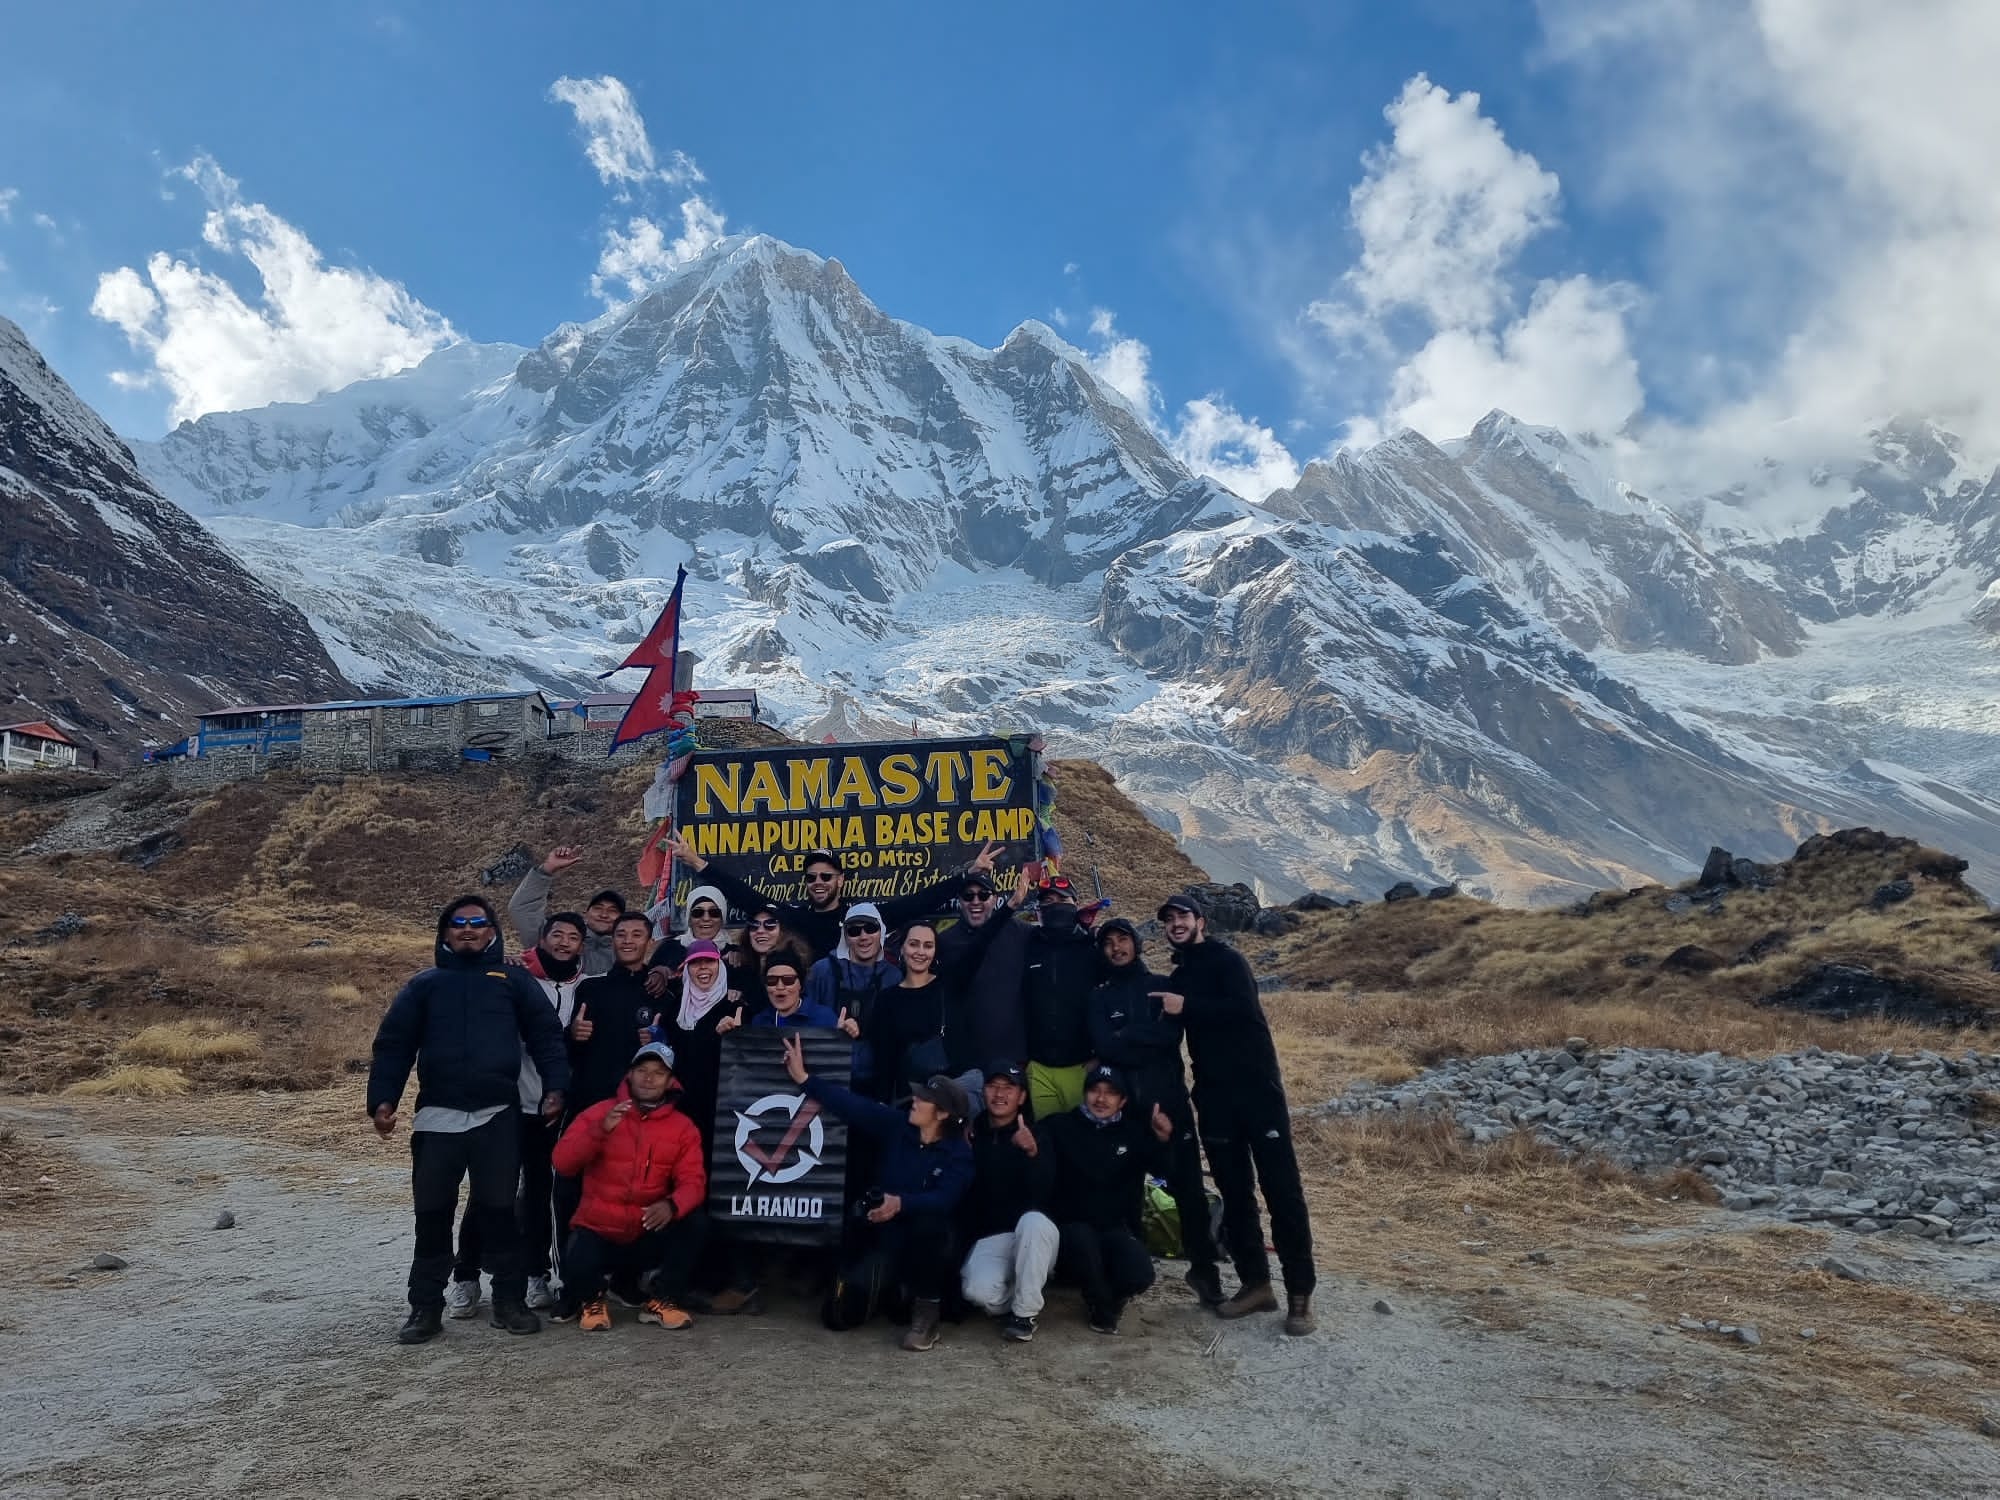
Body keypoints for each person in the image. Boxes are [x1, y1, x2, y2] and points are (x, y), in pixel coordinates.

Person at [366, 896, 570, 1345]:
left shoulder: (514, 981)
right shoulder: (424, 985)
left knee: (500, 1213)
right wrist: (383, 1099)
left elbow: (546, 1036)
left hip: (498, 1115)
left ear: (492, 933)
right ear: (445, 934)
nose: (468, 929)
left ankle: (509, 1302)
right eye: (458, 924)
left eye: (478, 923)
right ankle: (424, 1307)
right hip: (437, 1117)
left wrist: (556, 1087)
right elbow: (394, 1044)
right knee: (432, 1216)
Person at [1154, 892, 1317, 1336]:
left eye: (1182, 916)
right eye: (1168, 919)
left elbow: (1244, 1010)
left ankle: (1300, 1295)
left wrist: (1187, 1007)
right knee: (1236, 1192)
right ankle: (1256, 1284)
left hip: (1257, 1092)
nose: (1175, 923)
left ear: (1201, 921)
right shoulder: (1181, 973)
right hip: (1214, 1096)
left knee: (1282, 1190)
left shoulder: (1227, 961)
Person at [781, 1033, 973, 1351]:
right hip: (888, 1235)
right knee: (840, 1315)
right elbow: (853, 1106)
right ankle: (882, 1289)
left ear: (942, 1114)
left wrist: (901, 1203)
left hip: (929, 1246)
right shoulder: (899, 1126)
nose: (915, 1100)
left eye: (924, 1099)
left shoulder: (960, 1153)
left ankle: (927, 1313)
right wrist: (805, 1079)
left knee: (931, 1225)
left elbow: (945, 1199)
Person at [447, 911, 586, 1317]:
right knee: (490, 1194)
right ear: (540, 939)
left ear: (582, 945)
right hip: (509, 1104)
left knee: (541, 1194)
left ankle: (534, 1273)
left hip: (555, 1109)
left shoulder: (587, 986)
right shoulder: (512, 978)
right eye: (556, 935)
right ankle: (466, 1276)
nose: (563, 943)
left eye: (573, 937)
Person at [1088, 915, 1225, 1308]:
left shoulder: (1161, 986)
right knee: (1126, 1192)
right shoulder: (1099, 997)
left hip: (1169, 1102)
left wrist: (1126, 1034)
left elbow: (1169, 1036)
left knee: (1189, 1192)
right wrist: (1134, 1038)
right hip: (1124, 1109)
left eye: (1123, 940)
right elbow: (1104, 1046)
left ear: (1136, 943)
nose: (1117, 947)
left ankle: (1204, 1270)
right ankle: (1128, 1273)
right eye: (1109, 942)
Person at [550, 1042, 708, 1332]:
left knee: (694, 1222)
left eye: (658, 1073)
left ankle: (662, 1300)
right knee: (579, 1258)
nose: (649, 1078)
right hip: (599, 1228)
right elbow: (562, 1162)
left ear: (670, 1081)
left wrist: (672, 1205)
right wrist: (599, 1131)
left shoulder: (684, 1127)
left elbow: (694, 1182)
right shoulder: (600, 1111)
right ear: (629, 1075)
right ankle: (590, 1298)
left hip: (644, 1229)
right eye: (642, 1070)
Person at [668, 831, 1004, 962]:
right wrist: (698, 863)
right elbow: (749, 899)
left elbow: (918, 903)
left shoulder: (863, 918)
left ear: (840, 880)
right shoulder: (794, 917)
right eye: (812, 877)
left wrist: (968, 875)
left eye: (826, 876)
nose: (818, 882)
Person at [1042, 1063, 1175, 1334]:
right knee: (1082, 1241)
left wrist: (1163, 1140)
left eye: (1110, 1093)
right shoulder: (1059, 1126)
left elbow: (1163, 1174)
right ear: (1085, 1094)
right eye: (1094, 1090)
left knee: (1140, 1274)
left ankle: (1104, 1295)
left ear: (1123, 1100)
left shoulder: (1135, 1133)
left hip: (1114, 1228)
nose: (1101, 1099)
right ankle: (1101, 1307)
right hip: (1071, 1229)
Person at [959, 1063, 1058, 1342]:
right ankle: (1027, 1289)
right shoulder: (972, 1133)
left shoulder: (1038, 1134)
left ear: (1022, 1097)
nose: (999, 1094)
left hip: (1034, 1235)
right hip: (994, 1237)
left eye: (1009, 1087)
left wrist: (1032, 1154)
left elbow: (1044, 1193)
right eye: (993, 1086)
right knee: (976, 1292)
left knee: (1033, 1221)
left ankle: (1024, 1316)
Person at [935, 869, 1033, 1092]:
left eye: (983, 895)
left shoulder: (1022, 933)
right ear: (959, 901)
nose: (975, 902)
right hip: (967, 1064)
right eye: (968, 896)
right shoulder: (946, 941)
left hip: (1013, 1059)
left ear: (995, 899)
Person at [802, 902, 899, 1100]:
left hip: (877, 1083)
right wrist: (830, 1024)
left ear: (881, 932)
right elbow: (803, 1017)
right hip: (828, 1077)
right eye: (854, 931)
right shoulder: (821, 971)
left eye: (870, 929)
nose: (863, 937)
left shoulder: (895, 976)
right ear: (845, 937)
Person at [1022, 874, 1098, 1121]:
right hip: (1039, 1068)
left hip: (1082, 1065)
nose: (1053, 905)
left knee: (1082, 1145)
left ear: (1075, 904)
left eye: (1061, 899)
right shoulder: (1027, 945)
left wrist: (1100, 1056)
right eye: (1046, 901)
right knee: (1047, 1144)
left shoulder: (1093, 947)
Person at [508, 845, 626, 976]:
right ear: (586, 913)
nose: (604, 914)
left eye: (612, 910)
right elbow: (523, 909)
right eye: (598, 908)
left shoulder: (628, 952)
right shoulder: (552, 936)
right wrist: (547, 869)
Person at [728, 899, 814, 1016]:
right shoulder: (740, 967)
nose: (761, 931)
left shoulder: (797, 967)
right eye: (754, 925)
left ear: (783, 931)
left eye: (770, 925)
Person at [716, 955, 833, 1030]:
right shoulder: (760, 1021)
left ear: (800, 985)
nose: (780, 986)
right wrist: (733, 1037)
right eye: (772, 981)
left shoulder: (825, 1018)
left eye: (788, 980)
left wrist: (843, 1037)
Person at [649, 881, 733, 972]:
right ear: (689, 919)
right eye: (698, 913)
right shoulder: (668, 950)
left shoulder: (735, 955)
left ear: (722, 919)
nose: (706, 918)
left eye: (714, 913)